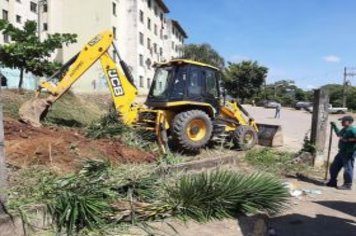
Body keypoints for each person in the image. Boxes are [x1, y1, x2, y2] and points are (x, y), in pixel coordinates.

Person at [326, 115, 356, 190]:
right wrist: (334, 126)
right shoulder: (344, 129)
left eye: (343, 121)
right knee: (334, 166)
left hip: (349, 152)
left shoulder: (352, 130)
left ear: (349, 122)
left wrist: (348, 140)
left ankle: (348, 185)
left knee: (348, 168)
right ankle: (333, 181)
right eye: (341, 121)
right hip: (342, 152)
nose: (342, 122)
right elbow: (339, 134)